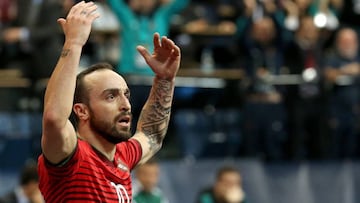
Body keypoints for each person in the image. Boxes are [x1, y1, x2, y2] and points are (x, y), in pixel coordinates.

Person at [37, 1, 181, 202]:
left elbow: (152, 134)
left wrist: (165, 80)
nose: (126, 105)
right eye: (111, 96)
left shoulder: (123, 156)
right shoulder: (72, 155)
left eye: (126, 95)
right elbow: (54, 118)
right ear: (82, 111)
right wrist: (74, 43)